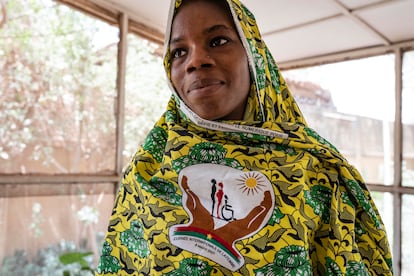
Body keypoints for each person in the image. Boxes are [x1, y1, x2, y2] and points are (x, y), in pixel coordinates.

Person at [96, 0, 393, 275]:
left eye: (218, 41)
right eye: (179, 52)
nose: (195, 61)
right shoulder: (148, 168)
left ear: (254, 56)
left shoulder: (316, 172)